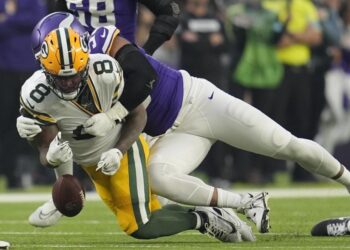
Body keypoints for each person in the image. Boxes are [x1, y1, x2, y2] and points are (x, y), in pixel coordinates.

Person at [20, 12, 350, 234]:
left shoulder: (104, 47)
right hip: (167, 132)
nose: (61, 73)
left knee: (285, 144)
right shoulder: (58, 82)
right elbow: (65, 124)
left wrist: (112, 115)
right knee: (158, 178)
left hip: (197, 102)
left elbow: (144, 78)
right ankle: (245, 202)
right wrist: (37, 135)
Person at [19, 26, 255, 243]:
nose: (69, 83)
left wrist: (117, 150)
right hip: (92, 164)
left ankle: (206, 219)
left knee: (139, 225)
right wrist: (51, 157)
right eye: (61, 77)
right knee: (149, 215)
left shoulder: (106, 72)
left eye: (74, 75)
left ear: (86, 63)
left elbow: (138, 114)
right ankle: (211, 214)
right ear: (44, 68)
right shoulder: (35, 94)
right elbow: (44, 148)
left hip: (120, 149)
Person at [53, 0, 180, 55]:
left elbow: (170, 10)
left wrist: (146, 51)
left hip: (122, 65)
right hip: (77, 68)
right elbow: (58, 22)